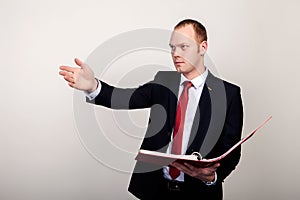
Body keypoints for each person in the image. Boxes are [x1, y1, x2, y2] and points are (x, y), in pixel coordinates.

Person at [59, 19, 243, 200]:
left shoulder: (228, 94)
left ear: (203, 48)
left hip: (200, 193)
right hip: (155, 190)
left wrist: (211, 178)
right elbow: (124, 98)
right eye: (172, 47)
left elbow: (232, 150)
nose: (175, 53)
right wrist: (92, 86)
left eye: (183, 47)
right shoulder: (164, 82)